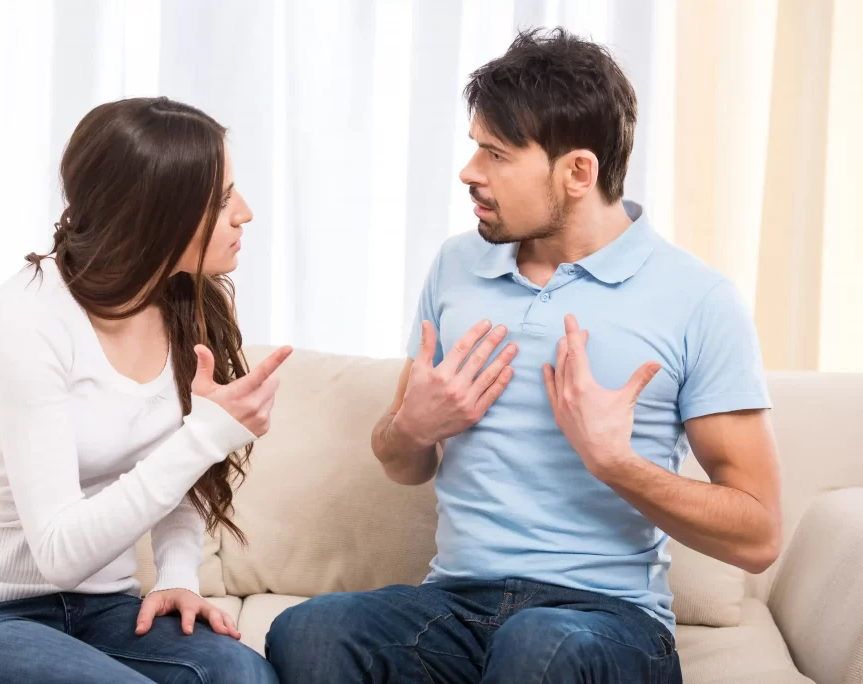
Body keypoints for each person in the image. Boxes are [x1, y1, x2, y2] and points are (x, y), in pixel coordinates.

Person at [266, 28, 781, 684]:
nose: (470, 172)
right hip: (455, 605)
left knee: (540, 644)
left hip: (607, 620)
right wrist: (411, 430)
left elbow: (759, 535)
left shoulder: (698, 299)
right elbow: (401, 463)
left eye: (496, 154)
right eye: (474, 147)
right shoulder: (456, 266)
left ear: (577, 172)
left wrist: (615, 463)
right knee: (309, 631)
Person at [0, 97, 289, 684]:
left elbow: (177, 479)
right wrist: (204, 435)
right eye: (223, 198)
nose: (247, 213)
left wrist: (178, 574)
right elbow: (59, 552)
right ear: (155, 213)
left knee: (243, 676)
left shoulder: (186, 299)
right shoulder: (27, 320)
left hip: (102, 609)